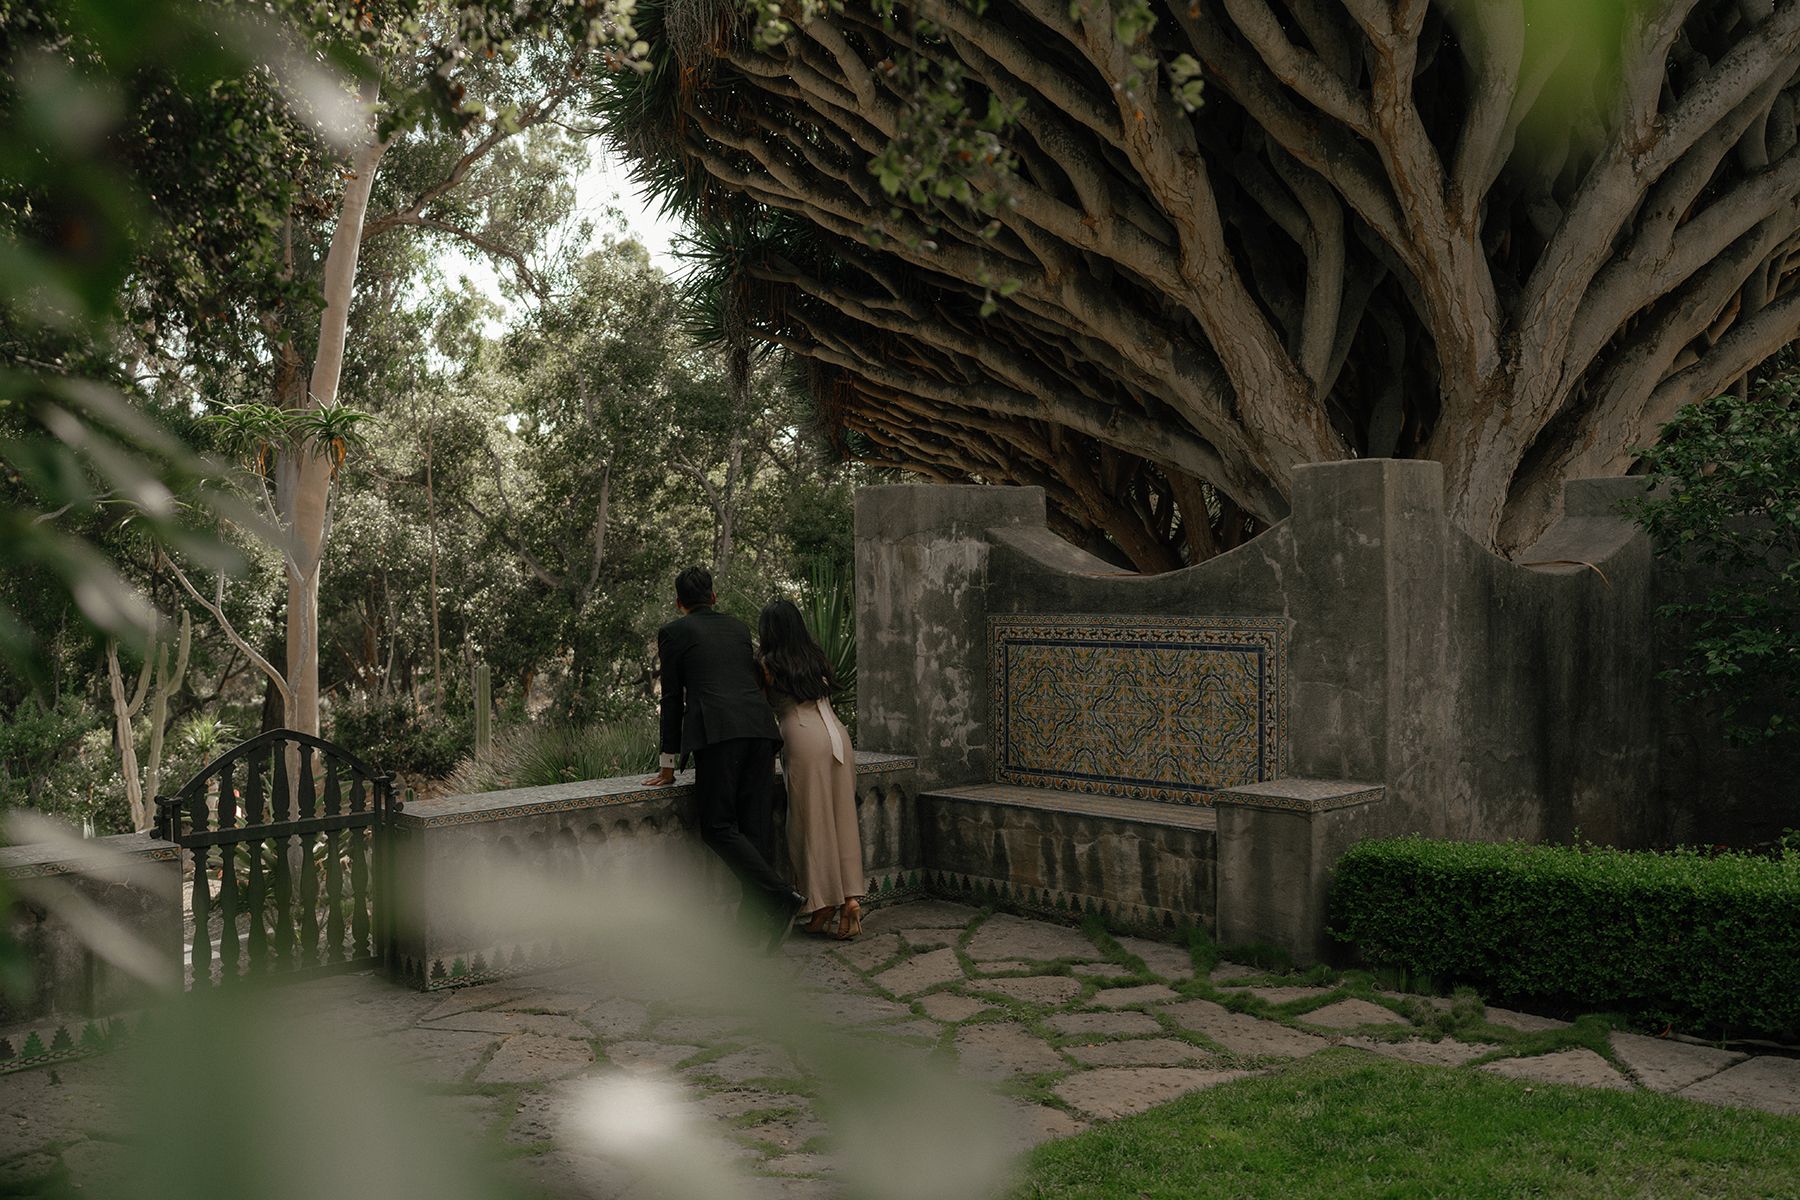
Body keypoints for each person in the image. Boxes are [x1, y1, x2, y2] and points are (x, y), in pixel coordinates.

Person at [642, 567, 804, 950]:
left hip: (720, 736)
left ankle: (781, 896)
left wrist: (667, 764)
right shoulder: (737, 627)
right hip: (761, 731)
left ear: (679, 602)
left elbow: (671, 701)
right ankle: (752, 926)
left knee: (717, 827)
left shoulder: (673, 632)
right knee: (754, 830)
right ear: (713, 597)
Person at [757, 598, 864, 940]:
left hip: (802, 739)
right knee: (842, 819)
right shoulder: (814, 656)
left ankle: (821, 904)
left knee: (808, 825)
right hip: (837, 737)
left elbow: (760, 707)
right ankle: (848, 899)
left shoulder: (767, 664)